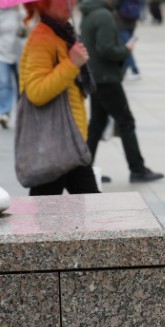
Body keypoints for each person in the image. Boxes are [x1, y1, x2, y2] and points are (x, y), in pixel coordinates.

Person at [19, 0, 100, 196]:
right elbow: (36, 92)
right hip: (55, 142)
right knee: (85, 208)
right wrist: (72, 63)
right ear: (43, 4)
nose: (69, 3)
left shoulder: (63, 33)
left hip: (69, 140)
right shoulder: (42, 38)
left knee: (86, 208)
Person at [80, 0, 164, 183]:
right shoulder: (104, 15)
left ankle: (85, 171)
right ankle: (137, 169)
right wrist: (126, 50)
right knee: (126, 121)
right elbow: (106, 48)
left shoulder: (89, 12)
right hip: (107, 78)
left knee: (96, 124)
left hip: (96, 76)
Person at [0, 7, 25, 130]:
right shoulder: (1, 13)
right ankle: (4, 112)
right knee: (4, 82)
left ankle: (22, 114)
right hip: (2, 53)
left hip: (19, 54)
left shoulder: (21, 11)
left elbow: (28, 27)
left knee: (21, 84)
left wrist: (21, 14)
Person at [114, 0, 143, 81]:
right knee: (127, 46)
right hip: (132, 23)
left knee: (126, 48)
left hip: (122, 23)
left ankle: (135, 71)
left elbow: (113, 4)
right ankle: (123, 71)